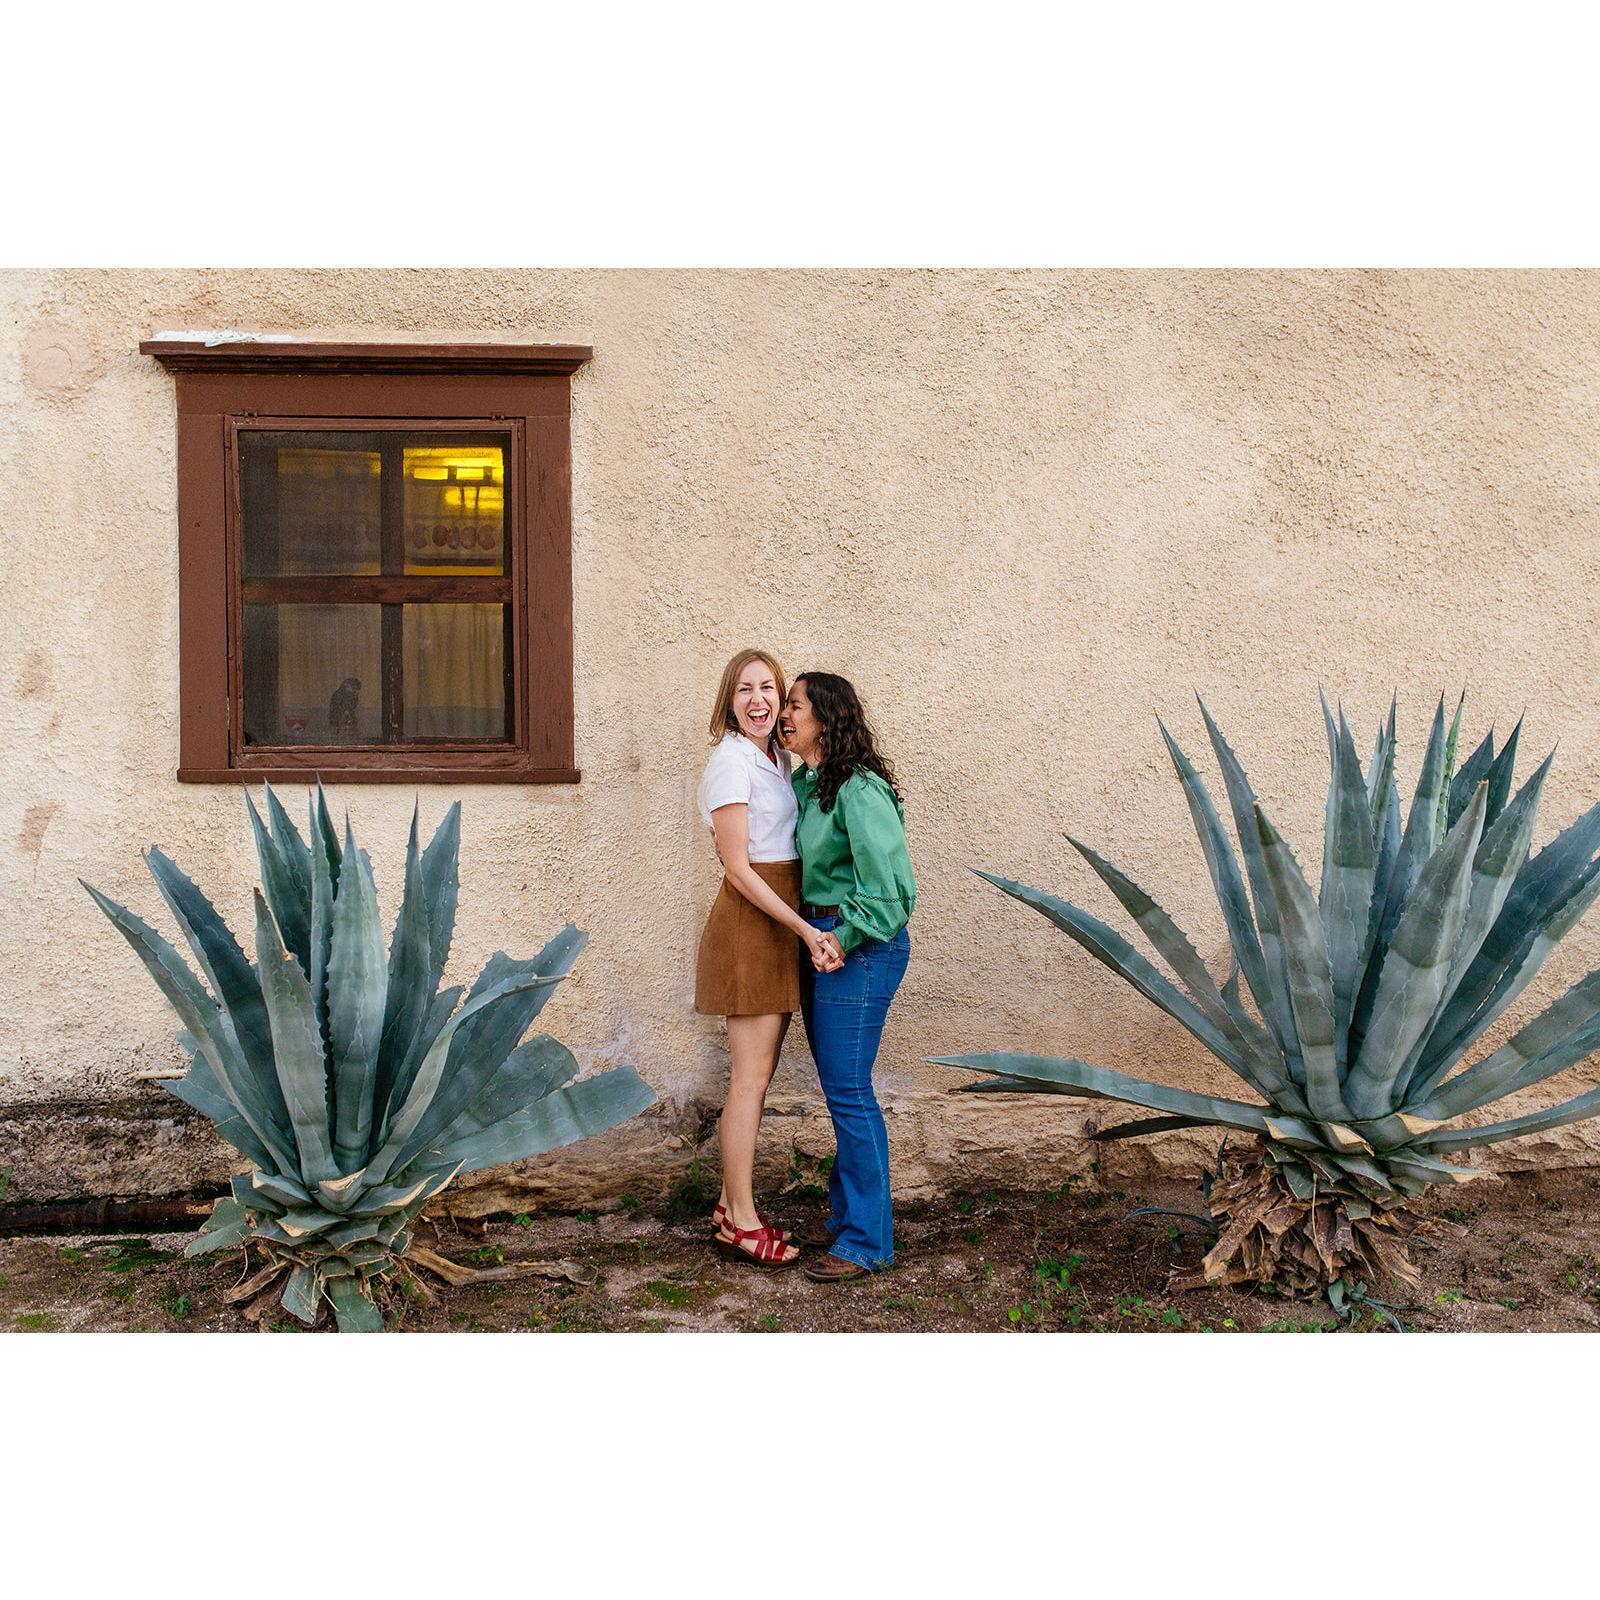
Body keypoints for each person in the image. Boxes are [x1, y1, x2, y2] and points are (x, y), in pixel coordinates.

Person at [695, 648, 842, 1271]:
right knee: (750, 1082)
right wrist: (806, 930)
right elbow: (737, 867)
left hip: (780, 920)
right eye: (746, 689)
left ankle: (732, 1208)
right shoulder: (730, 763)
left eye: (770, 690)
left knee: (758, 1078)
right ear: (729, 699)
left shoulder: (775, 759)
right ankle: (743, 1223)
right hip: (753, 924)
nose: (759, 700)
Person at [780, 671, 915, 1283]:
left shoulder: (859, 790)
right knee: (843, 1087)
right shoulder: (813, 786)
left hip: (856, 947)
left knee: (849, 1092)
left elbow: (889, 893)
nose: (784, 714)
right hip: (824, 941)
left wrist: (842, 937)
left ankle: (866, 1241)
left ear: (827, 719)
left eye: (795, 706)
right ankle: (849, 1218)